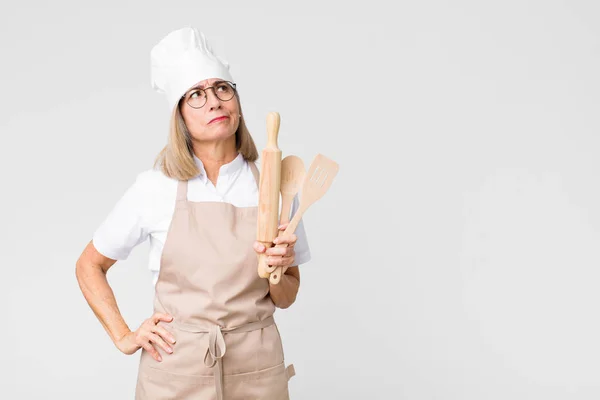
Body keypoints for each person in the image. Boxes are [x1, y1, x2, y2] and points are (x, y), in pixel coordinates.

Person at [75, 26, 311, 399]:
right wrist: (124, 335)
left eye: (222, 88)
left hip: (256, 367)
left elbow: (286, 296)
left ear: (236, 102)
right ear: (179, 116)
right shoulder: (155, 187)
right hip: (176, 370)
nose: (214, 101)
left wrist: (278, 270)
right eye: (196, 95)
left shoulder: (276, 186)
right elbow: (89, 265)